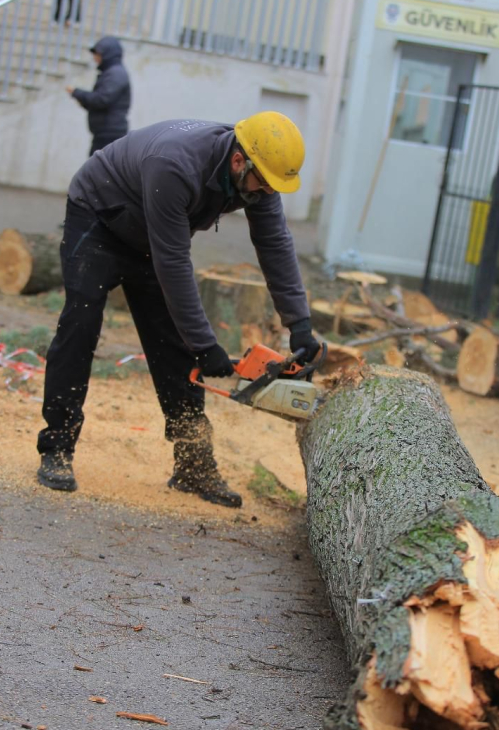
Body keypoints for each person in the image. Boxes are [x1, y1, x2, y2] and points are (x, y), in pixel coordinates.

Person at [36, 113, 323, 507]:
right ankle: (57, 448)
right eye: (265, 183)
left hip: (153, 235)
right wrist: (206, 345)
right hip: (101, 217)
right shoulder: (176, 165)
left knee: (173, 347)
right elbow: (172, 261)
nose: (267, 193)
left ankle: (194, 466)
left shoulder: (259, 179)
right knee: (81, 323)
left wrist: (300, 325)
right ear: (239, 161)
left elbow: (275, 244)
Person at [66, 37, 131, 154]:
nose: (95, 58)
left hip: (110, 134)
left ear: (108, 54)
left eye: (98, 54)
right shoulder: (111, 72)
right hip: (104, 133)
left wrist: (76, 93)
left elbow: (102, 99)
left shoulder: (116, 73)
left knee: (96, 171)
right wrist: (84, 101)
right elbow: (101, 101)